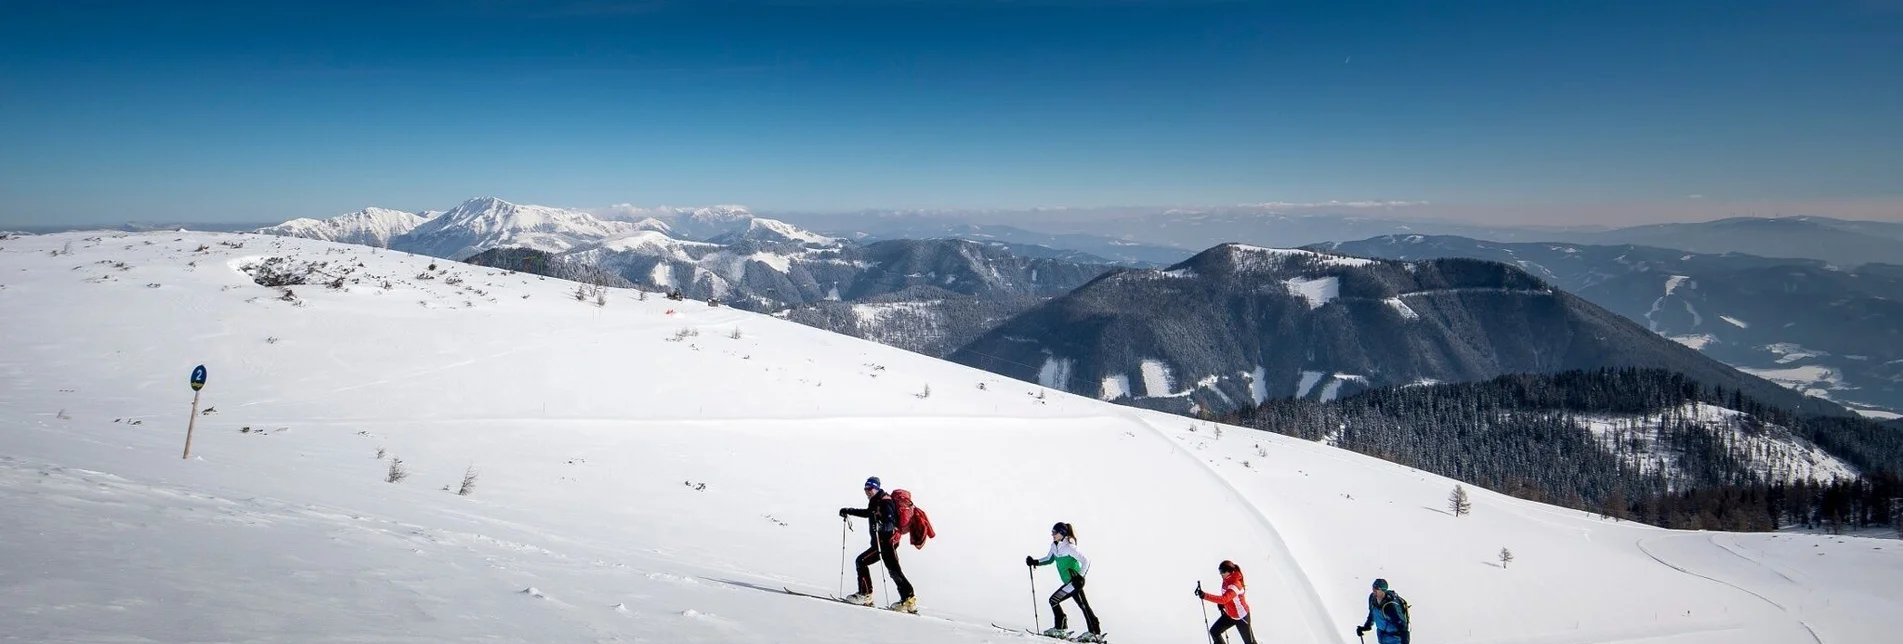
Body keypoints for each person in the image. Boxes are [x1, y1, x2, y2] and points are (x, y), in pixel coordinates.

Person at [838, 476, 916, 612]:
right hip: (884, 544)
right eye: (865, 489)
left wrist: (881, 527)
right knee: (894, 571)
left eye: (869, 489)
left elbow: (890, 524)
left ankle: (865, 595)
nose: (867, 491)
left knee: (862, 561)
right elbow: (869, 513)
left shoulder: (885, 502)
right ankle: (908, 600)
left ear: (876, 488)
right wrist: (848, 510)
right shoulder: (876, 500)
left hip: (885, 544)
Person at [1025, 522, 1104, 642]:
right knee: (1083, 605)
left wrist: (1080, 577)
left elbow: (1086, 561)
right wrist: (1034, 562)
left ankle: (1063, 629)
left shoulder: (1069, 547)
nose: (1052, 534)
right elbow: (1049, 559)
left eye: (1054, 532)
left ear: (1062, 533)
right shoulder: (1054, 546)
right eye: (1052, 532)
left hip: (1075, 582)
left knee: (1054, 600)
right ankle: (1092, 632)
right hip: (1069, 582)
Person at [1196, 560, 1256, 644]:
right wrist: (1222, 604)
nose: (1221, 574)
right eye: (1220, 572)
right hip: (1230, 614)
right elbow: (1226, 597)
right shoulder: (1227, 579)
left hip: (1241, 617)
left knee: (1250, 642)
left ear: (1229, 571)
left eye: (1222, 572)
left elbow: (1225, 598)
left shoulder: (1235, 584)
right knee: (1214, 632)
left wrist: (1205, 596)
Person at [1355, 579, 1409, 644]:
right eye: (1373, 588)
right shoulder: (1372, 598)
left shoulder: (1391, 606)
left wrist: (1405, 642)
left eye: (1376, 589)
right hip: (1381, 636)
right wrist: (1366, 627)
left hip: (1394, 639)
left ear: (1383, 590)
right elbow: (1372, 614)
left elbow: (1403, 628)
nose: (1373, 590)